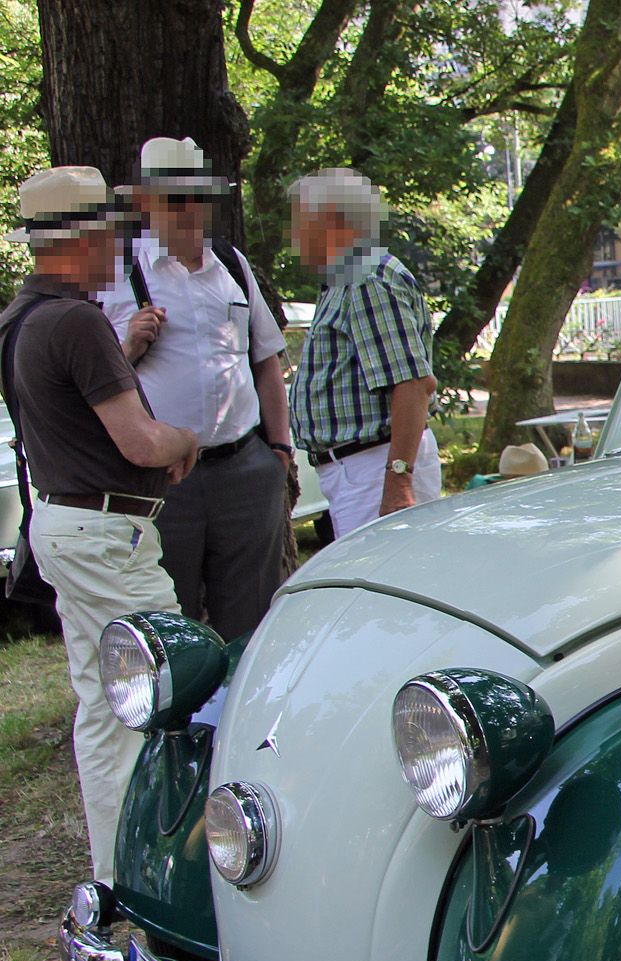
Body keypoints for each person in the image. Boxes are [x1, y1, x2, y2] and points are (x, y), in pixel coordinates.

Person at [0, 167, 198, 881]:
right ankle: (177, 863)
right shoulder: (76, 321)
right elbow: (140, 442)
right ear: (79, 238)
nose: (118, 246)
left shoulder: (19, 319)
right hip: (106, 535)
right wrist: (184, 439)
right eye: (110, 232)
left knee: (103, 703)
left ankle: (119, 869)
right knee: (175, 677)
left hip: (64, 525)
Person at [100, 138, 291, 642]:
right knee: (169, 623)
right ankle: (180, 722)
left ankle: (239, 719)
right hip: (161, 480)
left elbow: (266, 360)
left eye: (197, 197)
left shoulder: (231, 264)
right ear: (144, 203)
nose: (188, 210)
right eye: (173, 199)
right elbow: (92, 383)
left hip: (245, 469)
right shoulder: (116, 274)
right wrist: (128, 348)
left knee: (252, 624)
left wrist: (279, 450)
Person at [286, 168, 438, 538]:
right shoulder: (346, 279)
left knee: (388, 587)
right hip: (364, 467)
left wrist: (398, 482)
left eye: (300, 223)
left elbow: (413, 385)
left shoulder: (365, 278)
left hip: (375, 466)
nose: (293, 237)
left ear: (334, 222)